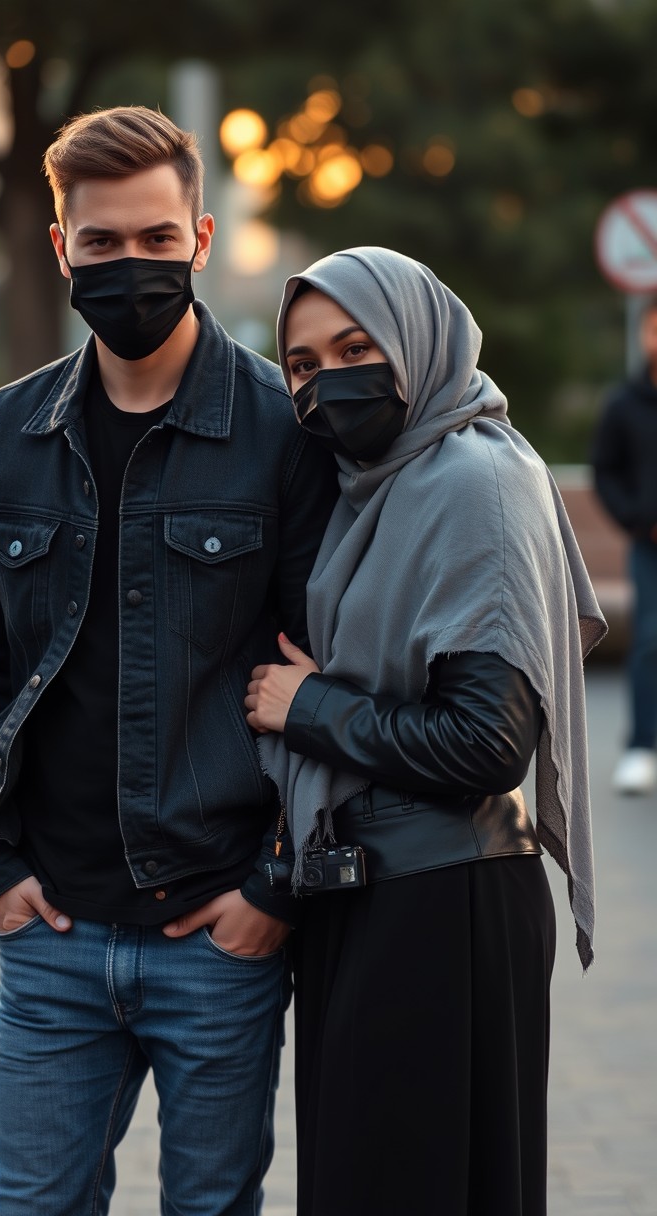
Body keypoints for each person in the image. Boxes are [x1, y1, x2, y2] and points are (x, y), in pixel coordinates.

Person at [0, 105, 336, 1216]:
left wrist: (274, 890)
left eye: (157, 240)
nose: (131, 265)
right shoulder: (3, 435)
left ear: (201, 239)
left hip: (220, 934)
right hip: (50, 935)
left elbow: (326, 676)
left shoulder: (282, 431)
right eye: (101, 243)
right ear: (62, 249)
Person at [244, 247, 607, 1216]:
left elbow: (486, 742)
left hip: (439, 905)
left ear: (420, 340)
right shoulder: (381, 487)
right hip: (380, 896)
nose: (330, 381)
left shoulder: (473, 483)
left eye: (357, 347)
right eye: (304, 365)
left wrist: (307, 705)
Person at [592, 296, 657, 795]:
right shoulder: (624, 403)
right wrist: (637, 520)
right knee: (649, 644)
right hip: (649, 545)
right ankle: (641, 747)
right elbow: (606, 472)